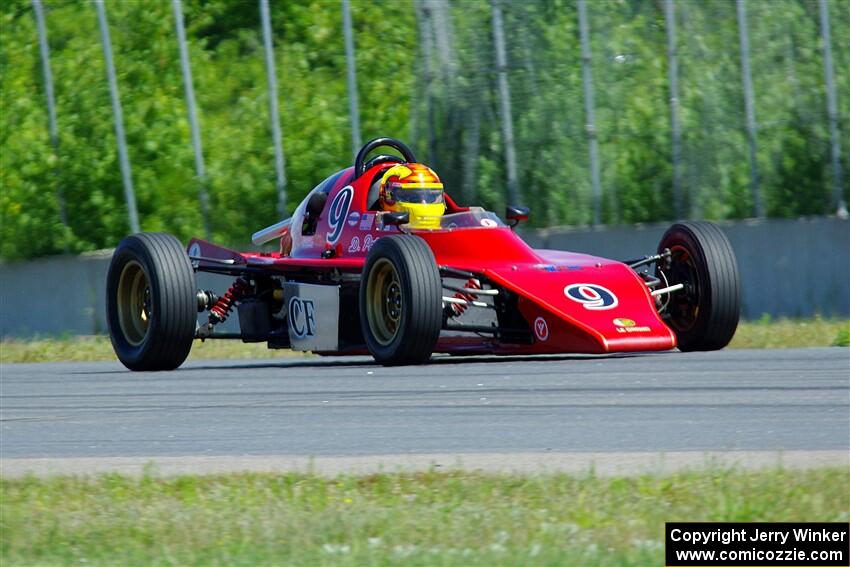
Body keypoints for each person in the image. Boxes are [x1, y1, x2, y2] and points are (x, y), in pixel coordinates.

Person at [378, 163, 446, 229]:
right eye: (414, 197)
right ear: (388, 196)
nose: (424, 203)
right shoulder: (375, 225)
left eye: (430, 197)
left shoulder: (450, 226)